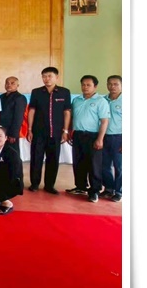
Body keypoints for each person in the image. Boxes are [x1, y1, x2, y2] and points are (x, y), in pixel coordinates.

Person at [26, 67, 72, 195]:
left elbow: (67, 112)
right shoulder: (36, 92)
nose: (47, 79)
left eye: (49, 76)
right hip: (38, 132)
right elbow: (32, 111)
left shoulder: (64, 92)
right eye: (44, 76)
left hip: (56, 133)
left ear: (56, 77)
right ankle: (35, 183)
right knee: (36, 158)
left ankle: (49, 185)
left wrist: (65, 131)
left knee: (53, 159)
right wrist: (29, 129)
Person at [66, 75, 110, 203]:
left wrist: (100, 139)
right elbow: (72, 117)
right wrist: (69, 131)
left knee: (94, 165)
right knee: (78, 162)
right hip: (78, 135)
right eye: (83, 85)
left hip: (93, 136)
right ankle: (80, 186)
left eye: (88, 85)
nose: (85, 87)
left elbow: (104, 121)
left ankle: (94, 191)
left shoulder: (101, 101)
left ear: (95, 86)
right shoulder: (77, 100)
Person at [101, 75, 122, 202]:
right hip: (104, 136)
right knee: (104, 165)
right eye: (110, 84)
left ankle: (119, 191)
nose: (112, 86)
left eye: (116, 84)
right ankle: (108, 189)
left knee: (119, 166)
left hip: (119, 137)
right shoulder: (103, 100)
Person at [0, 76, 28, 157]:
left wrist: (13, 134)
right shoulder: (1, 97)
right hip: (1, 130)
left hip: (11, 131)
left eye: (12, 83)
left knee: (12, 153)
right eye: (7, 83)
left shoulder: (20, 98)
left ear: (17, 85)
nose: (9, 85)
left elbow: (18, 117)